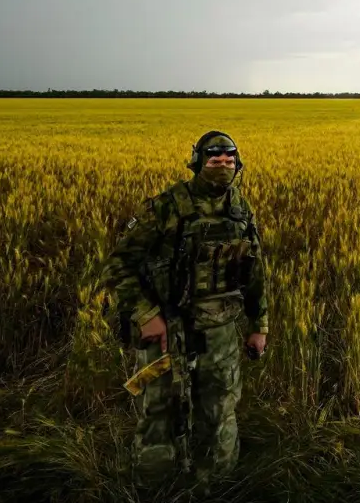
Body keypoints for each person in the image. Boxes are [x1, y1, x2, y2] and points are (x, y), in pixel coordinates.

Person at [107, 131, 269, 487]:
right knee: (159, 413)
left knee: (220, 410)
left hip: (221, 332)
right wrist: (147, 315)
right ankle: (153, 487)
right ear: (197, 163)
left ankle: (215, 486)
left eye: (229, 161)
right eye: (214, 160)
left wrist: (259, 325)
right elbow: (119, 265)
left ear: (238, 166)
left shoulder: (240, 210)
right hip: (167, 331)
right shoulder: (165, 207)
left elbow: (255, 271)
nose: (222, 167)